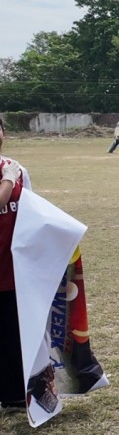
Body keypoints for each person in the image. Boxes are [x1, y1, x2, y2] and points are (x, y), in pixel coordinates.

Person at [0, 117, 31, 410]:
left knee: (13, 333)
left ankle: (15, 395)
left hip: (12, 269)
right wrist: (8, 180)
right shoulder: (11, 173)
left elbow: (32, 212)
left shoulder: (18, 169)